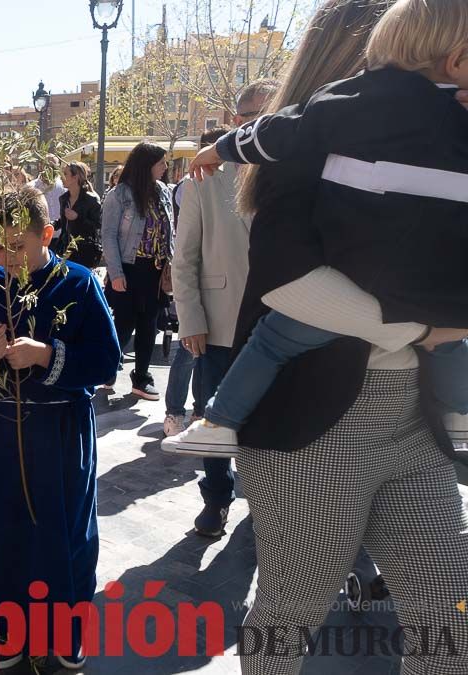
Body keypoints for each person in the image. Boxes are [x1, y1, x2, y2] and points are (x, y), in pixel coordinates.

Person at [177, 1, 468, 671]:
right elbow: (286, 283)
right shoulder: (318, 139)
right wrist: (427, 327)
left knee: (451, 611)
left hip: (414, 425)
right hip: (312, 428)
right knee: (290, 609)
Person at [168, 0, 468, 456]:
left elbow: (278, 133)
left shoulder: (352, 105)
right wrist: (430, 332)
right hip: (340, 402)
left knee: (272, 341)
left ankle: (218, 420)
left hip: (377, 329)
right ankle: (460, 415)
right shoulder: (446, 121)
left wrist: (223, 148)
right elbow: (286, 277)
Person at [0, 188, 121, 670]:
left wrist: (47, 355)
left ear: (46, 235)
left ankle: (66, 633)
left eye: (17, 246)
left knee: (63, 533)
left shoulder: (78, 283)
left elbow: (107, 361)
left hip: (61, 433)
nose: (6, 258)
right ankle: (5, 631)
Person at [156, 89, 276, 540]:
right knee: (213, 419)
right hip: (219, 324)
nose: (256, 123)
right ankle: (217, 498)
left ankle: (266, 503)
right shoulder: (209, 175)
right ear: (235, 120)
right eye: (248, 116)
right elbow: (184, 257)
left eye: (266, 114)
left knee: (272, 420)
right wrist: (191, 320)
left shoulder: (296, 172)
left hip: (281, 321)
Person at [161, 126, 232, 440]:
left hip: (264, 317)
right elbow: (185, 254)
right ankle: (176, 412)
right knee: (188, 359)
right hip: (211, 312)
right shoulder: (198, 183)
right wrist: (190, 315)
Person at [101, 142, 174, 400]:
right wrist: (116, 273)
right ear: (147, 165)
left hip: (155, 270)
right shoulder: (120, 194)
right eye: (161, 162)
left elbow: (169, 230)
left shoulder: (163, 191)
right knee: (122, 325)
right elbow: (108, 235)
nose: (166, 167)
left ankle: (141, 378)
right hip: (129, 268)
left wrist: (170, 264)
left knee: (149, 325)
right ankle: (106, 370)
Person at [53, 161, 102, 268]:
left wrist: (78, 218)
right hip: (65, 249)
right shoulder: (64, 198)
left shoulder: (91, 199)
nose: (61, 177)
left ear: (75, 177)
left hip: (84, 252)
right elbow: (64, 220)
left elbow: (98, 226)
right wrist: (52, 225)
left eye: (65, 174)